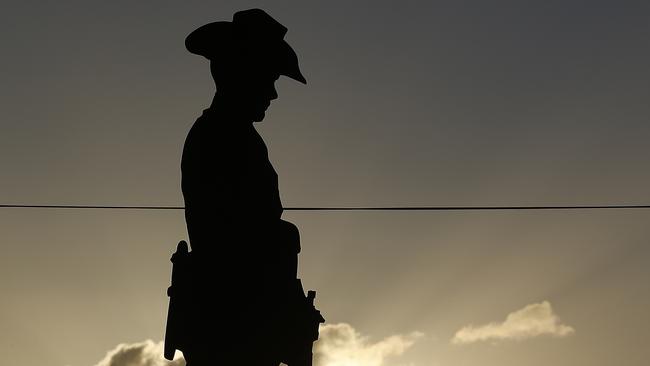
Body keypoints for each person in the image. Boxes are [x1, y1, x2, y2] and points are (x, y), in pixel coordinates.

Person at [170, 8, 318, 366]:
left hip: (239, 316)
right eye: (268, 78)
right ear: (239, 73)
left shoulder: (234, 135)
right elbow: (239, 240)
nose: (272, 93)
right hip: (234, 320)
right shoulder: (222, 136)